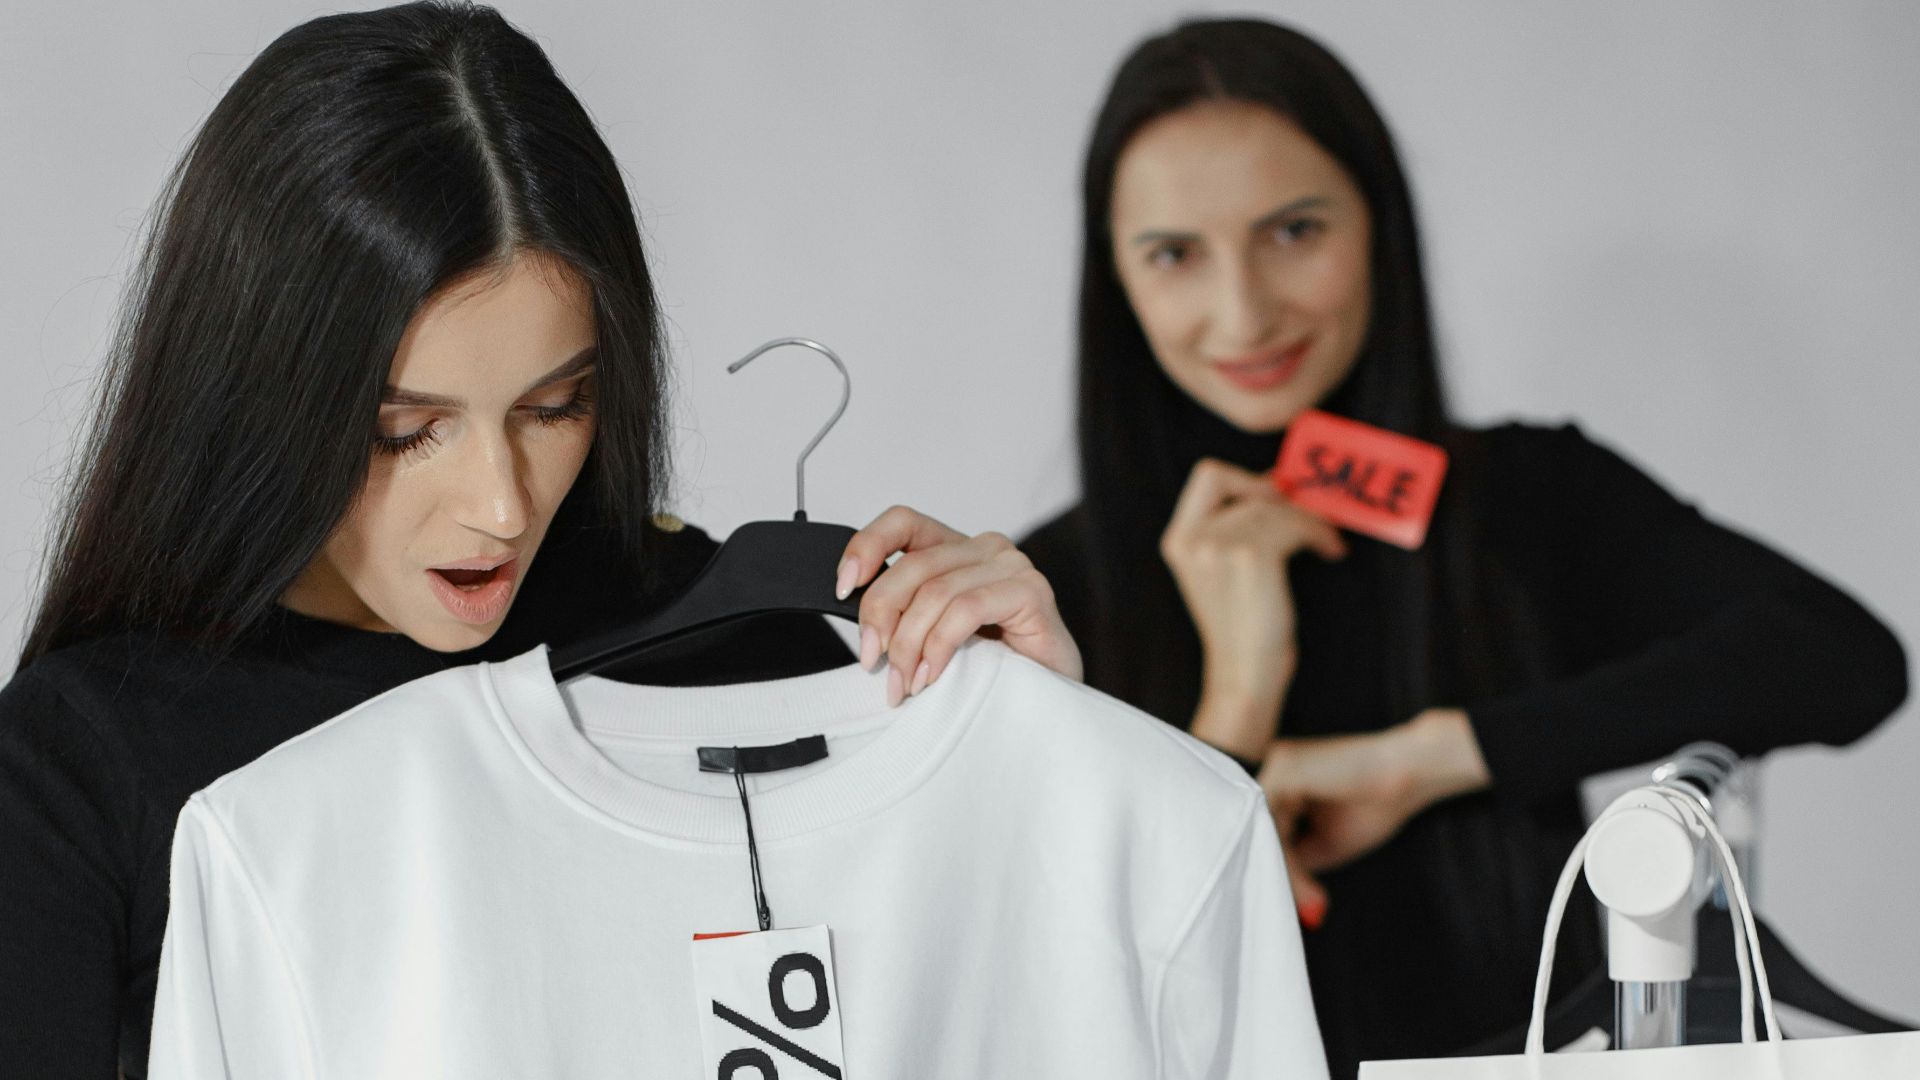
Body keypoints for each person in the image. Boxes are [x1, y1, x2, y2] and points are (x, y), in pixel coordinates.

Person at [0, 4, 1080, 1075]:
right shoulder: (81, 769)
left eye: (555, 407)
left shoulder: (736, 646)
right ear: (257, 389)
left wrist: (1031, 749)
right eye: (408, 431)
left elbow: (970, 1025)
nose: (502, 506)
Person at [1017, 17, 1907, 1078]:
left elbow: (1842, 660)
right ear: (1115, 278)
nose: (1243, 311)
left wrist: (1435, 758)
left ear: (1378, 227)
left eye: (1294, 232)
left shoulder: (1523, 497)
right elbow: (1080, 986)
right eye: (1174, 255)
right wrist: (1243, 697)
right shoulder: (1050, 590)